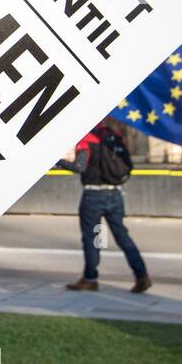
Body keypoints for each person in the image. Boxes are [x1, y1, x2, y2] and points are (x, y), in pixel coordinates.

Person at [57, 118, 151, 293]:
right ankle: (141, 275)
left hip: (93, 194)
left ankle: (90, 278)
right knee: (122, 236)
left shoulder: (86, 138)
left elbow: (80, 166)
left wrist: (58, 161)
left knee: (93, 237)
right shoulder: (113, 136)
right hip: (115, 193)